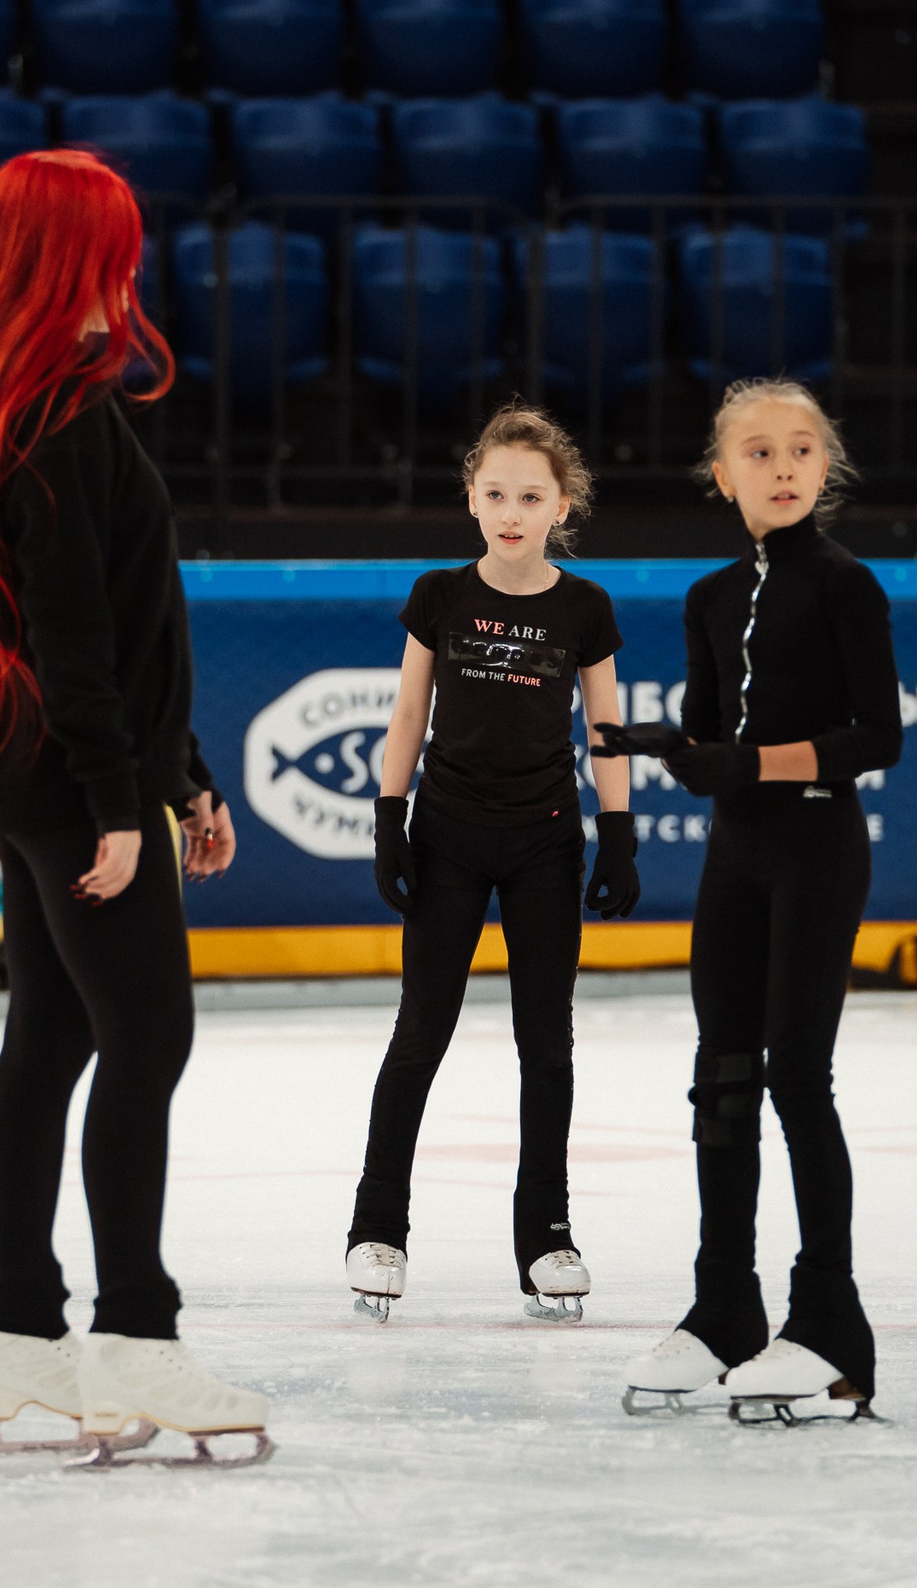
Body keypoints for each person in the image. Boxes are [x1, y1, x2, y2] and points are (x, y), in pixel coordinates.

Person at [0, 150, 267, 1468]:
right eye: (111, 245)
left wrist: (184, 774)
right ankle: (136, 1334)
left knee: (54, 1040)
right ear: (67, 259)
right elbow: (69, 634)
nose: (132, 268)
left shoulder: (11, 398)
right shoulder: (46, 413)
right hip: (67, 779)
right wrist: (125, 803)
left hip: (52, 771)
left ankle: (17, 1323)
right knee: (145, 1036)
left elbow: (119, 626)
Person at [601, 379, 902, 1425]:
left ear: (825, 470)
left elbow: (879, 737)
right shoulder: (707, 598)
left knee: (796, 1078)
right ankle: (724, 1305)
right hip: (734, 857)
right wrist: (671, 754)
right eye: (760, 453)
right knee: (719, 1080)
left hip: (818, 845)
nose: (782, 468)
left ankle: (829, 1326)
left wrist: (749, 762)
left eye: (801, 451)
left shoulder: (847, 588)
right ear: (721, 475)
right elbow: (704, 746)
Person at [347, 406, 637, 1326]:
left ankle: (545, 1235)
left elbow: (605, 731)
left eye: (532, 495)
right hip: (448, 838)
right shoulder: (438, 594)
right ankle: (376, 1225)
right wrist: (390, 821)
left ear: (562, 505)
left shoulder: (584, 607)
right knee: (421, 1029)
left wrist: (619, 831)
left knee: (545, 1044)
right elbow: (406, 717)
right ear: (472, 496)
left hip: (546, 841)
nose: (513, 510)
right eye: (498, 492)